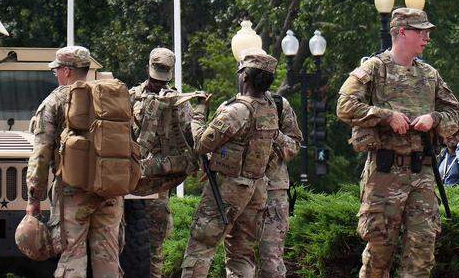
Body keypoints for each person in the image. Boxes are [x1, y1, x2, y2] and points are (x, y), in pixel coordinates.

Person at [336, 7, 459, 278]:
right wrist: (385, 116)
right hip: (384, 173)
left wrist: (434, 118)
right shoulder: (375, 68)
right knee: (379, 253)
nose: (427, 37)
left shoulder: (430, 75)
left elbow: (455, 113)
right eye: (421, 32)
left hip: (422, 173)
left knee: (422, 253)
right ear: (402, 32)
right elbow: (344, 106)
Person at [181, 48, 281, 278]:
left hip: (228, 189)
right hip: (256, 189)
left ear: (245, 76)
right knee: (241, 254)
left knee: (201, 245)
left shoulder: (237, 110)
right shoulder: (269, 108)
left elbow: (201, 144)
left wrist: (198, 113)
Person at [27, 46, 123, 278]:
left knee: (73, 254)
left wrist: (34, 198)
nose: (57, 74)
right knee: (108, 256)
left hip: (73, 190)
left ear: (67, 71)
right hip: (110, 188)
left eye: (57, 70)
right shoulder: (109, 96)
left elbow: (41, 153)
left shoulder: (54, 101)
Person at [129, 47, 197, 278]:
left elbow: (191, 137)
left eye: (162, 79)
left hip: (157, 184)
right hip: (127, 181)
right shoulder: (131, 96)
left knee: (154, 246)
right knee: (120, 242)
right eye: (154, 78)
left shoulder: (180, 102)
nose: (158, 84)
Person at [258, 83, 303, 278]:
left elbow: (293, 147)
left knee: (272, 258)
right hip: (240, 191)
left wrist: (275, 134)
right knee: (239, 257)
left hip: (273, 192)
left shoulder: (279, 105)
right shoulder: (232, 107)